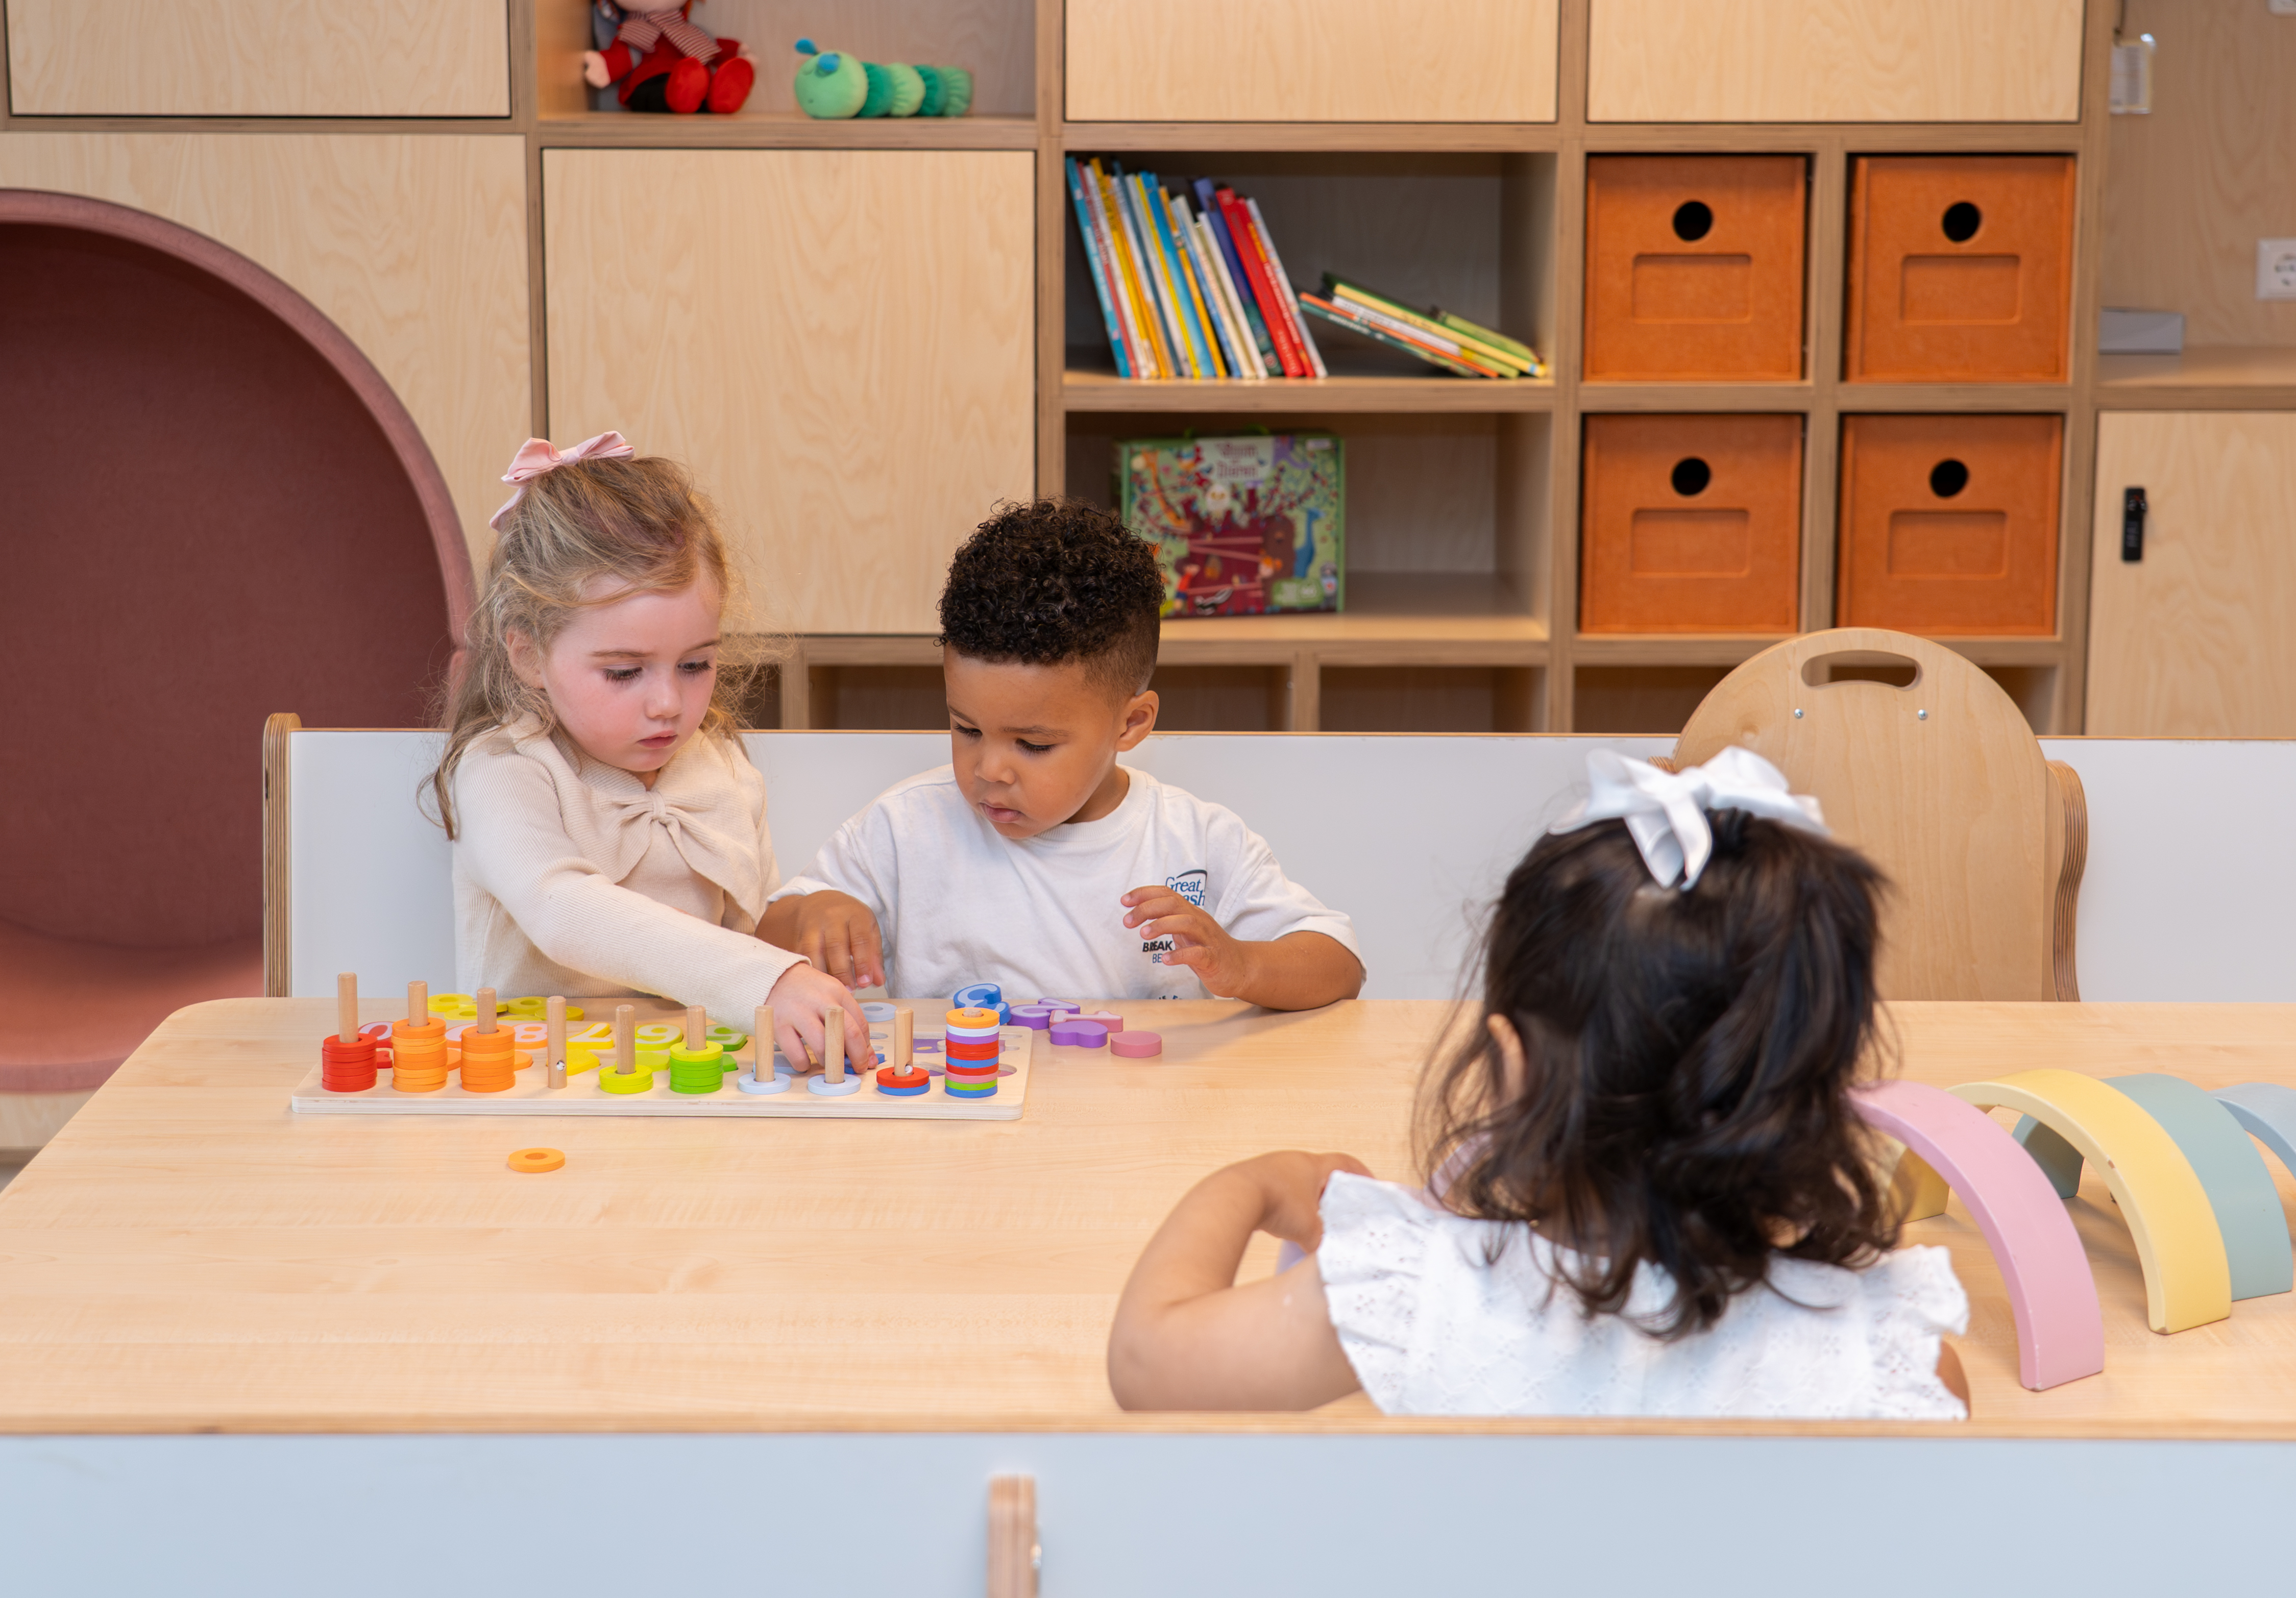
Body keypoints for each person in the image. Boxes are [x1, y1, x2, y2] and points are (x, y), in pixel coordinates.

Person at [1106, 747, 1971, 1417]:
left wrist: (1260, 1181)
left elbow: (1147, 1361)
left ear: (1513, 1064)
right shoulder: (1897, 1354)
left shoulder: (1414, 1293)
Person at [763, 500, 1363, 1008]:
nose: (989, 769)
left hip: (1143, 1108)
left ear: (1131, 723)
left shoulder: (1192, 841)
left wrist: (1242, 964)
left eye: (1033, 744)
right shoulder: (904, 828)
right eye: (966, 728)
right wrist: (815, 912)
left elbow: (1339, 963)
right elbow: (764, 935)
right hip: (968, 1106)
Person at [427, 434, 863, 1066]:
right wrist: (762, 979)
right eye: (625, 672)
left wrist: (810, 916)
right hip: (536, 1085)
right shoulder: (504, 769)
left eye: (695, 664)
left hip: (694, 1081)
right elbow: (562, 910)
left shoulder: (721, 768)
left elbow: (752, 938)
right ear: (527, 654)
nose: (668, 703)